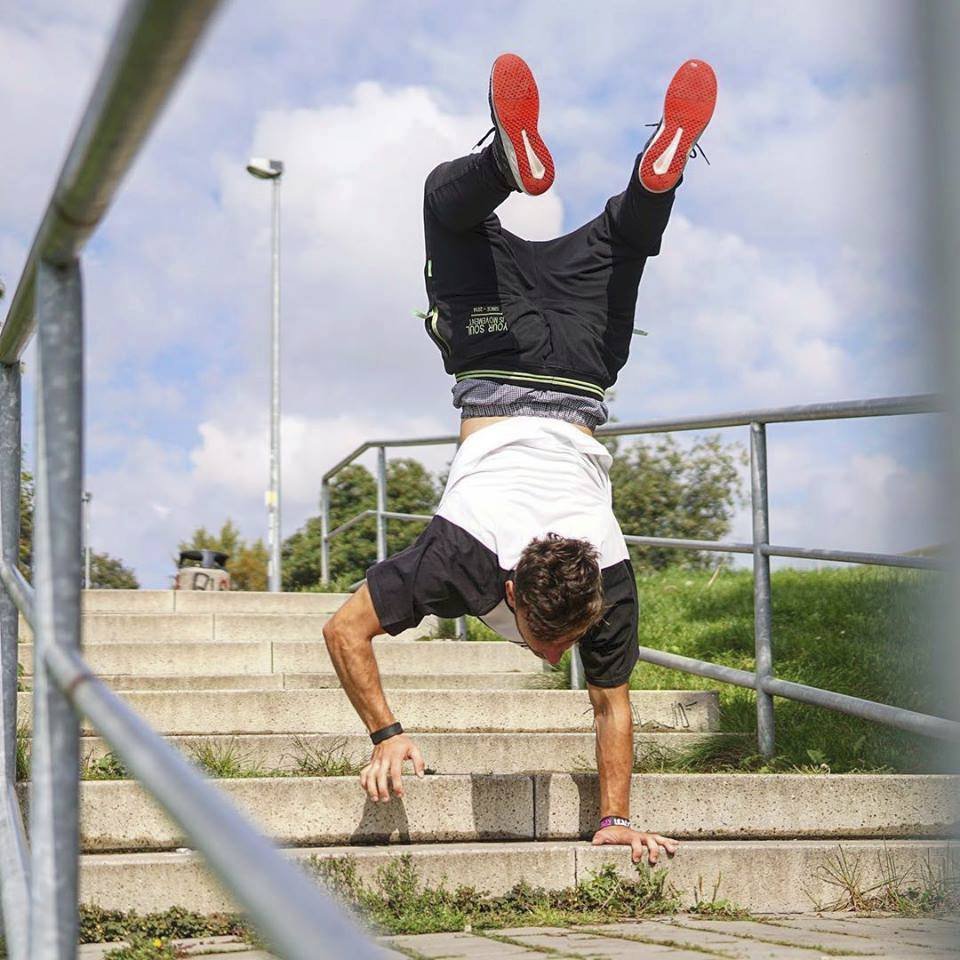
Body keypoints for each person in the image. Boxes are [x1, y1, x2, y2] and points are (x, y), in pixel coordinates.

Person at [323, 53, 717, 866]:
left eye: (559, 643)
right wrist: (385, 734)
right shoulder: (465, 552)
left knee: (611, 240)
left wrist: (613, 821)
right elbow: (611, 706)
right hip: (505, 351)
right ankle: (635, 172)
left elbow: (345, 629)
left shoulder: (599, 585)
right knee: (444, 208)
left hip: (576, 358)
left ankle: (566, 170)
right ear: (508, 589)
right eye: (547, 642)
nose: (555, 655)